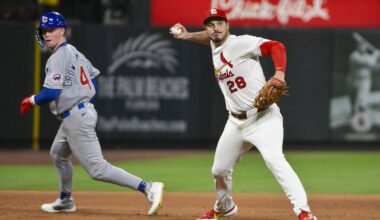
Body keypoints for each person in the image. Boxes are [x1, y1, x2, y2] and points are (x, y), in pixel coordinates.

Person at [170, 8, 317, 220]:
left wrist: (279, 73)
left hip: (263, 118)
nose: (216, 28)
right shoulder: (214, 42)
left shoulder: (240, 42)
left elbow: (277, 46)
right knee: (219, 170)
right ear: (206, 29)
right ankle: (225, 207)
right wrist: (188, 36)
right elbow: (210, 39)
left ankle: (303, 211)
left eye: (220, 23)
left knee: (275, 159)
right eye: (211, 25)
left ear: (228, 25)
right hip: (235, 121)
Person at [20, 11, 164, 215]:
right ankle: (66, 200)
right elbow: (94, 78)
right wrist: (84, 100)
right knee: (58, 154)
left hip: (76, 116)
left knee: (97, 169)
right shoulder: (73, 51)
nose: (46, 34)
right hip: (78, 113)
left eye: (51, 29)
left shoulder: (58, 56)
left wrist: (31, 100)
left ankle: (148, 187)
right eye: (43, 31)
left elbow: (52, 92)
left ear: (62, 30)